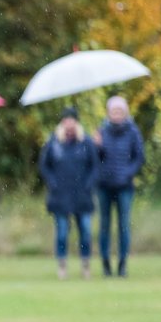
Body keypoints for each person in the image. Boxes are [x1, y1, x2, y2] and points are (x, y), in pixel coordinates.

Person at [39, 107, 98, 280]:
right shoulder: (53, 142)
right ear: (62, 122)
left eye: (72, 119)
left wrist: (89, 185)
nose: (69, 123)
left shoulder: (86, 142)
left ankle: (86, 265)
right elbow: (45, 166)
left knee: (85, 232)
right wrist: (53, 183)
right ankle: (62, 266)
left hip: (82, 195)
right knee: (62, 232)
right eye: (66, 119)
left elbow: (95, 167)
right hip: (60, 195)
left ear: (76, 122)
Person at [93, 95, 145, 277]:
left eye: (119, 111)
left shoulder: (133, 132)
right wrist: (97, 146)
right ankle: (105, 262)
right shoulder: (101, 131)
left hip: (125, 186)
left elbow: (139, 157)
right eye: (113, 111)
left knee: (124, 225)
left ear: (125, 112)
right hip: (104, 186)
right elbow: (96, 159)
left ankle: (123, 263)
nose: (116, 114)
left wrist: (127, 173)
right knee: (105, 225)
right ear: (108, 113)